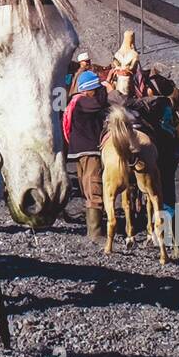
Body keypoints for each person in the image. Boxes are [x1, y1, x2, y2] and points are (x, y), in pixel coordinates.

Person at [63, 70, 110, 243]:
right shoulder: (83, 101)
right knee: (94, 187)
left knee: (87, 187)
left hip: (79, 151)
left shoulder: (75, 101)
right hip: (90, 150)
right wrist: (108, 89)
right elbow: (101, 103)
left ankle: (93, 228)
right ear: (88, 89)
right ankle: (95, 233)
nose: (97, 91)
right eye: (95, 89)